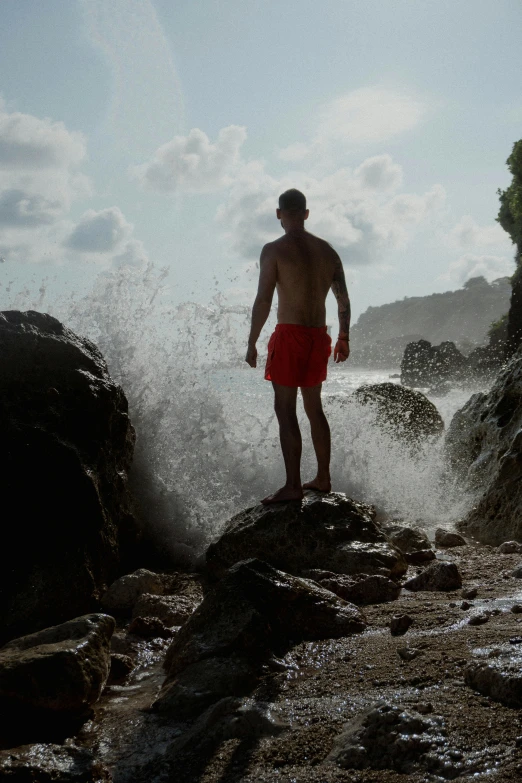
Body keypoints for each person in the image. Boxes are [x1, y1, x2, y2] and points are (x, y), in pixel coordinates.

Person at [245, 188, 350, 504]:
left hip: (290, 335)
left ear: (279, 214)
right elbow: (343, 299)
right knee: (314, 408)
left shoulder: (273, 250)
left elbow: (264, 299)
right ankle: (323, 478)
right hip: (318, 335)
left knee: (285, 409)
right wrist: (344, 337)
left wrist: (251, 342)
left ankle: (292, 486)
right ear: (306, 213)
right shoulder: (328, 251)